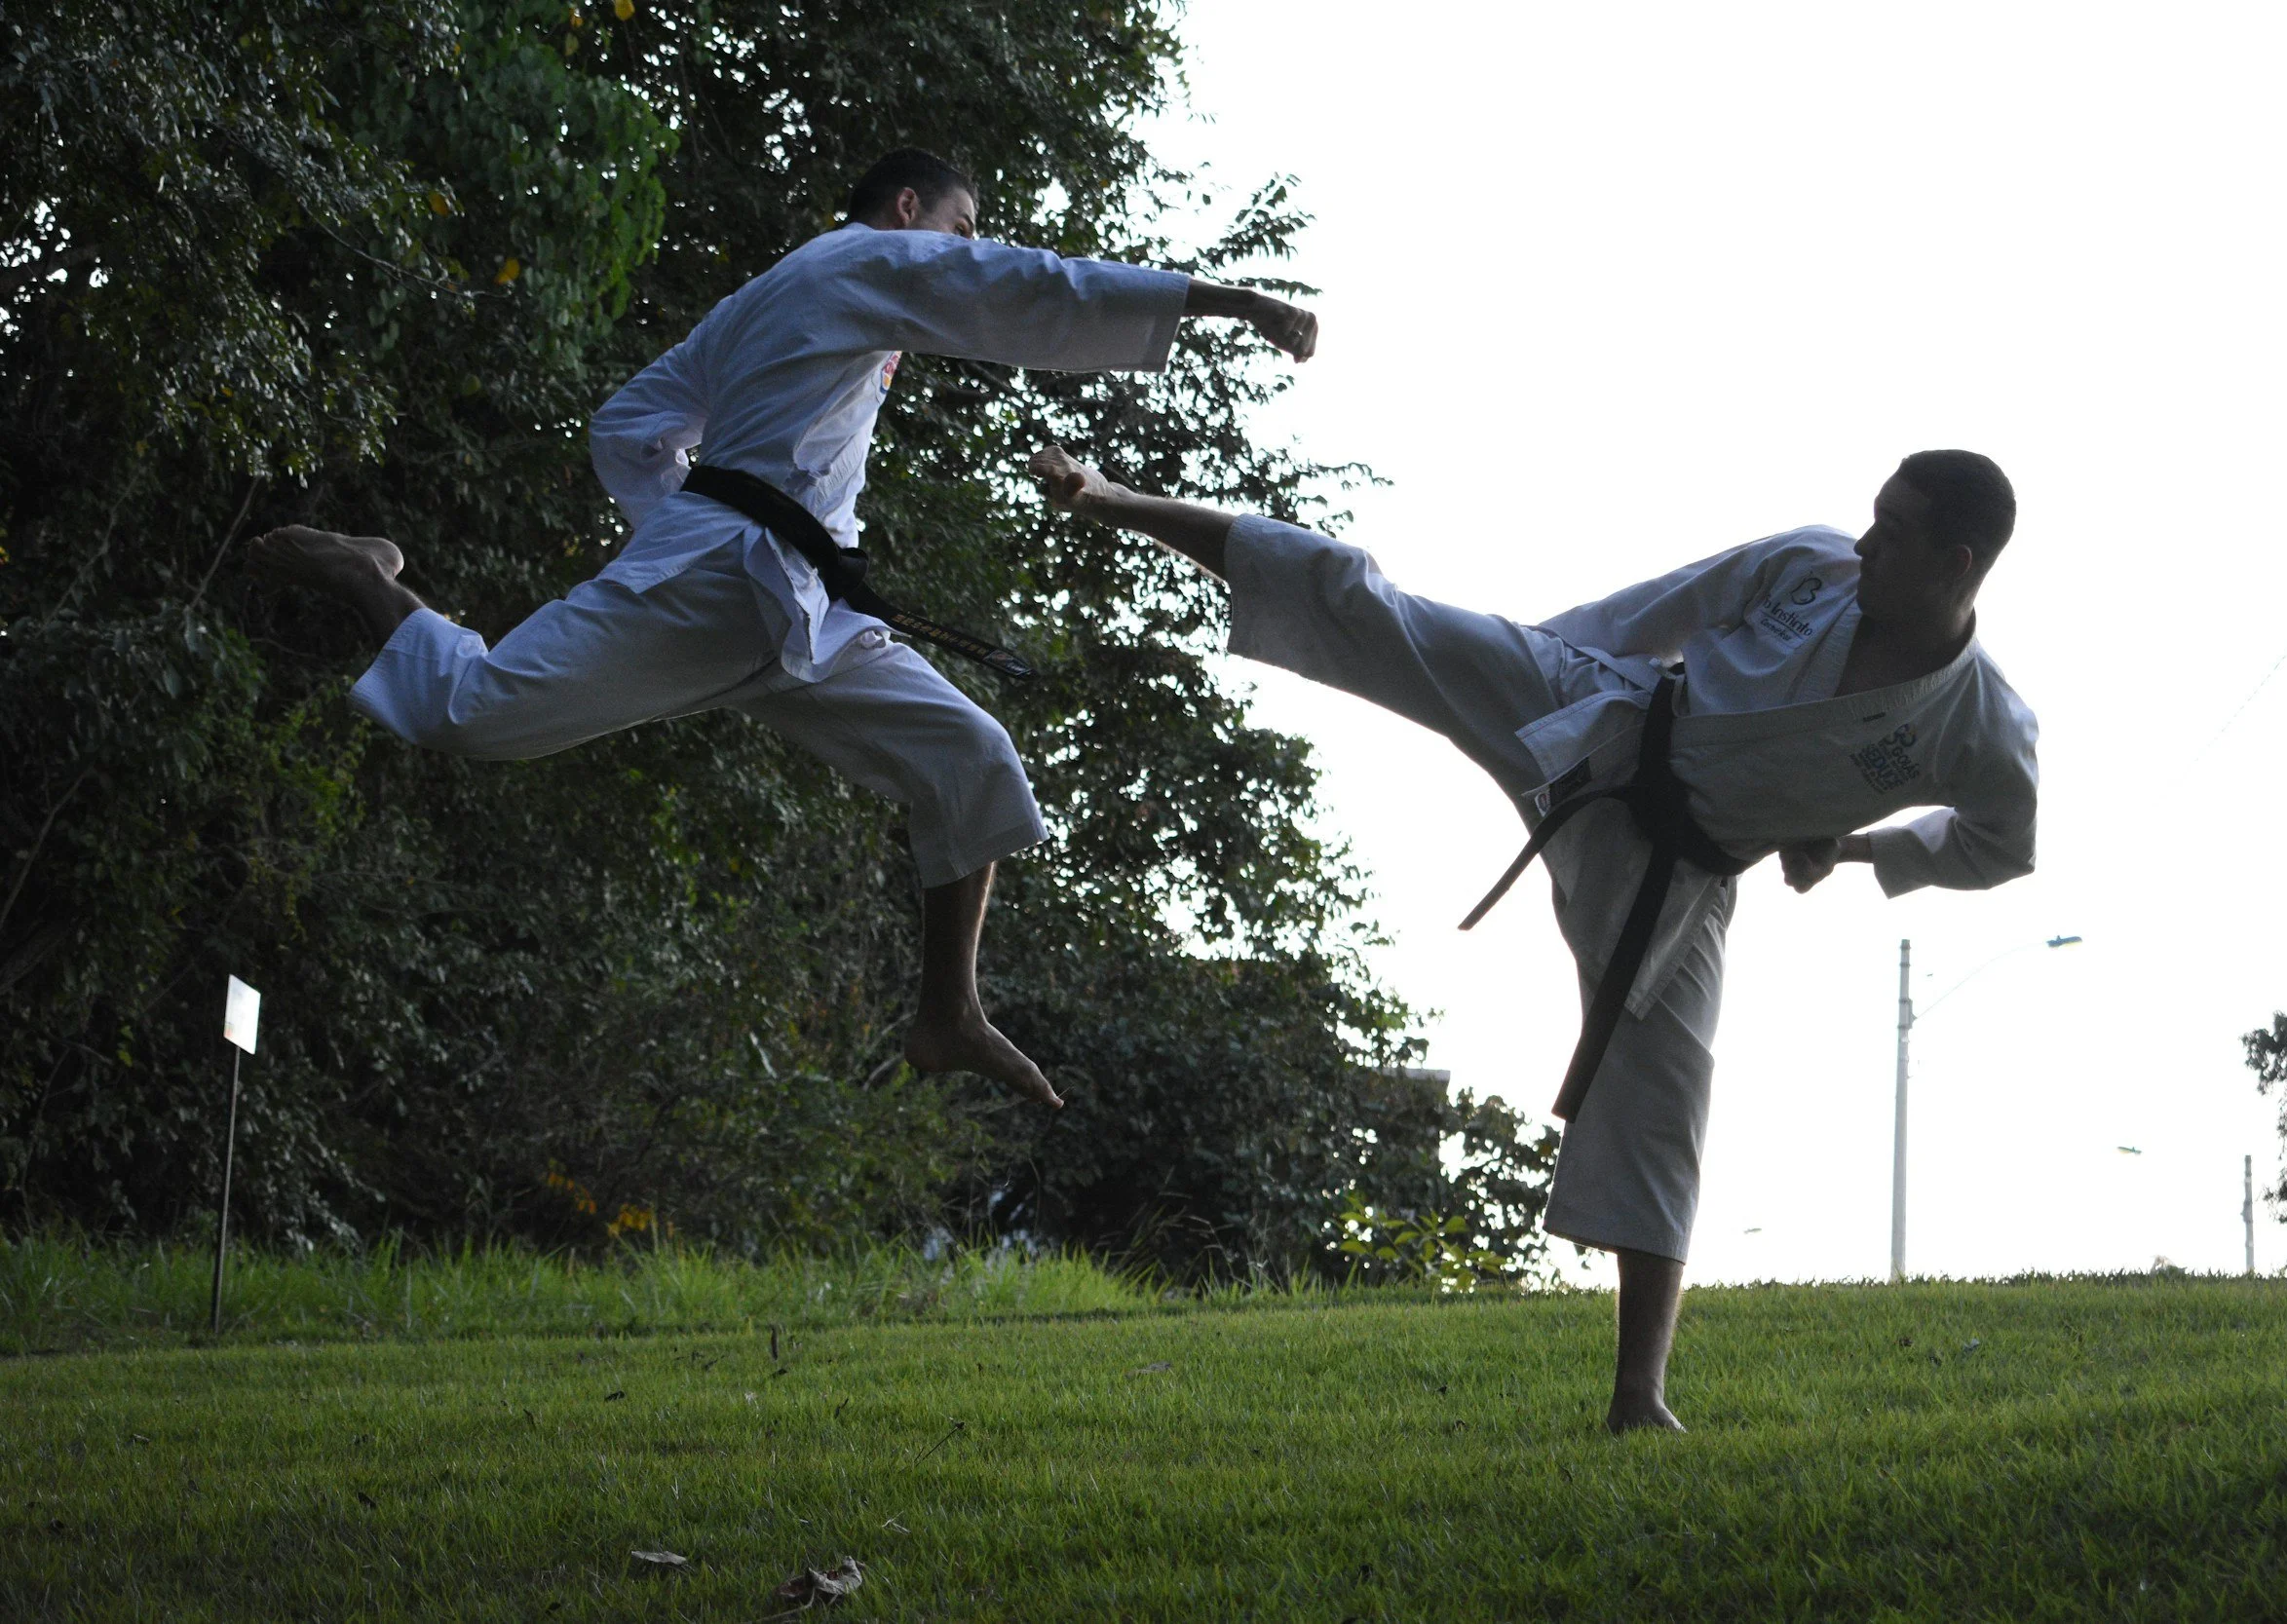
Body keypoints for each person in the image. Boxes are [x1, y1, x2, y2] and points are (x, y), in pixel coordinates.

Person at [246, 148, 1319, 1110]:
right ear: (907, 207)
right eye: (959, 224)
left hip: (804, 605)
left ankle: (948, 1011)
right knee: (468, 714)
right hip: (721, 579)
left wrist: (710, 516)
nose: (967, 247)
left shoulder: (768, 295)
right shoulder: (864, 258)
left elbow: (627, 424)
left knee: (972, 757)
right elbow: (1033, 286)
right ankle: (366, 573)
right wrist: (1225, 299)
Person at [1027, 441, 2038, 1429]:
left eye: (1892, 535)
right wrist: (1519, 665)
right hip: (1601, 713)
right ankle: (1116, 498)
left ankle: (1637, 1394)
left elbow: (1997, 845)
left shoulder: (1984, 726)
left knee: (1664, 1100)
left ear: (1957, 564)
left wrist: (1847, 847)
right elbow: (1657, 611)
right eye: (1871, 518)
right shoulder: (1812, 563)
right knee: (1364, 600)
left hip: (1682, 866)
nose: (1864, 543)